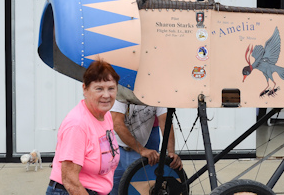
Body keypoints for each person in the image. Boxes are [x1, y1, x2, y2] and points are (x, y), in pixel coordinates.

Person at [46, 59, 120, 195]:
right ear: (85, 89)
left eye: (111, 88)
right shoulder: (77, 125)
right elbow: (70, 182)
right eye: (99, 89)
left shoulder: (106, 115)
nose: (106, 95)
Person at [110, 101, 183, 195]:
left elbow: (165, 121)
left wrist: (171, 152)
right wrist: (142, 150)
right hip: (114, 147)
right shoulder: (123, 89)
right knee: (114, 190)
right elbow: (117, 124)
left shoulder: (157, 94)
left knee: (140, 189)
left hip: (136, 148)